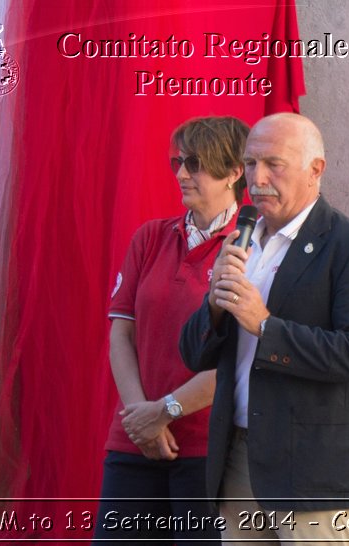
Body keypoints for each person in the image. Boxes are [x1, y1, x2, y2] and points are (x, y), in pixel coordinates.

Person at [179, 112, 349, 545]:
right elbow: (192, 353)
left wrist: (264, 325)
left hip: (314, 473)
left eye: (274, 164)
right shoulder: (242, 240)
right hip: (239, 458)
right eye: (251, 163)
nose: (257, 178)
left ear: (316, 170)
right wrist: (216, 308)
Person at [95, 115, 249, 544]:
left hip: (206, 450)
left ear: (234, 172)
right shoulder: (150, 238)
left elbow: (238, 360)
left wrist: (166, 411)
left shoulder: (250, 249)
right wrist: (140, 416)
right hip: (134, 439)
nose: (182, 172)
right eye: (178, 161)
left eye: (196, 162)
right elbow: (121, 333)